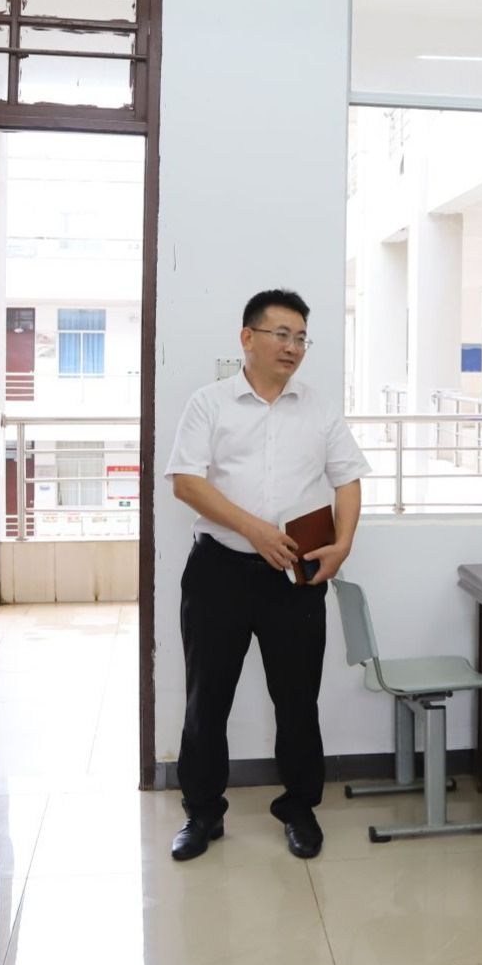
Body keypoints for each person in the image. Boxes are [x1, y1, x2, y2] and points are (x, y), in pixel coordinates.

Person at [164, 288, 369, 861]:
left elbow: (348, 478)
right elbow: (187, 482)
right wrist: (255, 530)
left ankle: (299, 807)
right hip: (219, 572)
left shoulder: (319, 407)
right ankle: (203, 813)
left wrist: (343, 544)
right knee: (207, 699)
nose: (293, 347)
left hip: (295, 576)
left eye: (301, 337)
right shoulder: (209, 403)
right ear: (247, 338)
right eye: (281, 334)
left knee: (298, 700)